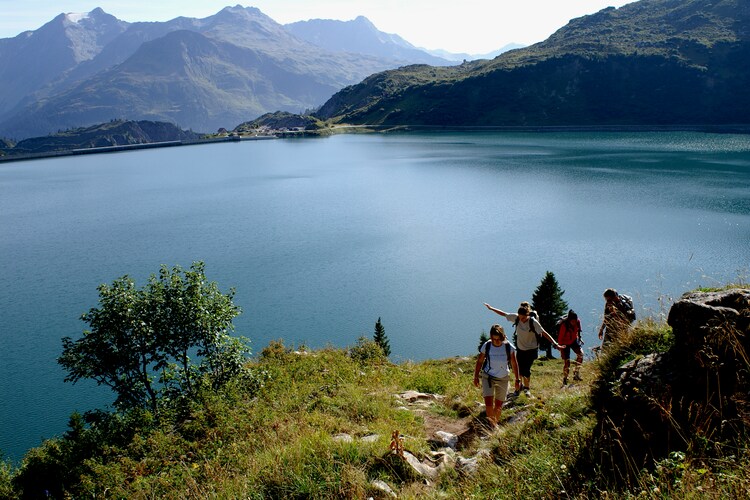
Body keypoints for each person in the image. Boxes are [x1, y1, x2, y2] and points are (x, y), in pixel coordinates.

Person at [484, 302, 563, 398]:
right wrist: (491, 308)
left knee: (526, 370)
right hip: (521, 349)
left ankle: (527, 389)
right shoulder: (516, 318)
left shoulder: (533, 322)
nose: (521, 320)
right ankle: (518, 388)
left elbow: (544, 332)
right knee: (518, 369)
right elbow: (504, 314)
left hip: (531, 349)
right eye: (520, 317)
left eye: (523, 318)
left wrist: (555, 344)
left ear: (528, 315)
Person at [473, 324, 520, 427]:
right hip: (488, 377)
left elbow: (514, 363)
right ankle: (492, 426)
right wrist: (476, 376)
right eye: (494, 339)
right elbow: (480, 361)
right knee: (489, 403)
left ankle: (494, 423)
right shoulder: (487, 345)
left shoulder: (508, 347)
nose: (496, 341)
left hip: (503, 378)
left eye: (498, 339)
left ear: (502, 337)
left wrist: (517, 379)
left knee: (498, 406)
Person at [557, 310, 583, 385]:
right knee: (567, 362)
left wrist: (580, 338)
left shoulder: (578, 321)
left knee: (580, 355)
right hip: (564, 343)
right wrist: (561, 349)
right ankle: (565, 379)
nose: (574, 323)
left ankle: (576, 373)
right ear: (569, 320)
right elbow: (560, 338)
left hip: (573, 340)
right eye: (573, 321)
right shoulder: (564, 326)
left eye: (575, 321)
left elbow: (578, 331)